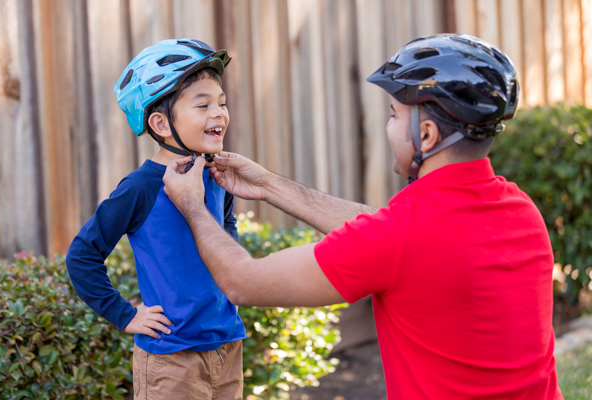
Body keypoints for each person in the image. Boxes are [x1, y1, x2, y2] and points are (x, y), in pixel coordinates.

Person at [162, 34, 563, 399]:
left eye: (393, 114)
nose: (387, 126)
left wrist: (194, 207)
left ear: (426, 136)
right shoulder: (518, 210)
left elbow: (242, 283)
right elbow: (391, 235)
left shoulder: (401, 237)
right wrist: (268, 185)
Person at [66, 39, 245, 400]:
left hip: (226, 344)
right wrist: (125, 315)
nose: (219, 114)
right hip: (170, 357)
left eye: (222, 103)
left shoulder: (216, 173)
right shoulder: (141, 187)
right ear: (161, 123)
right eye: (203, 105)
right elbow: (82, 256)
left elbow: (226, 226)